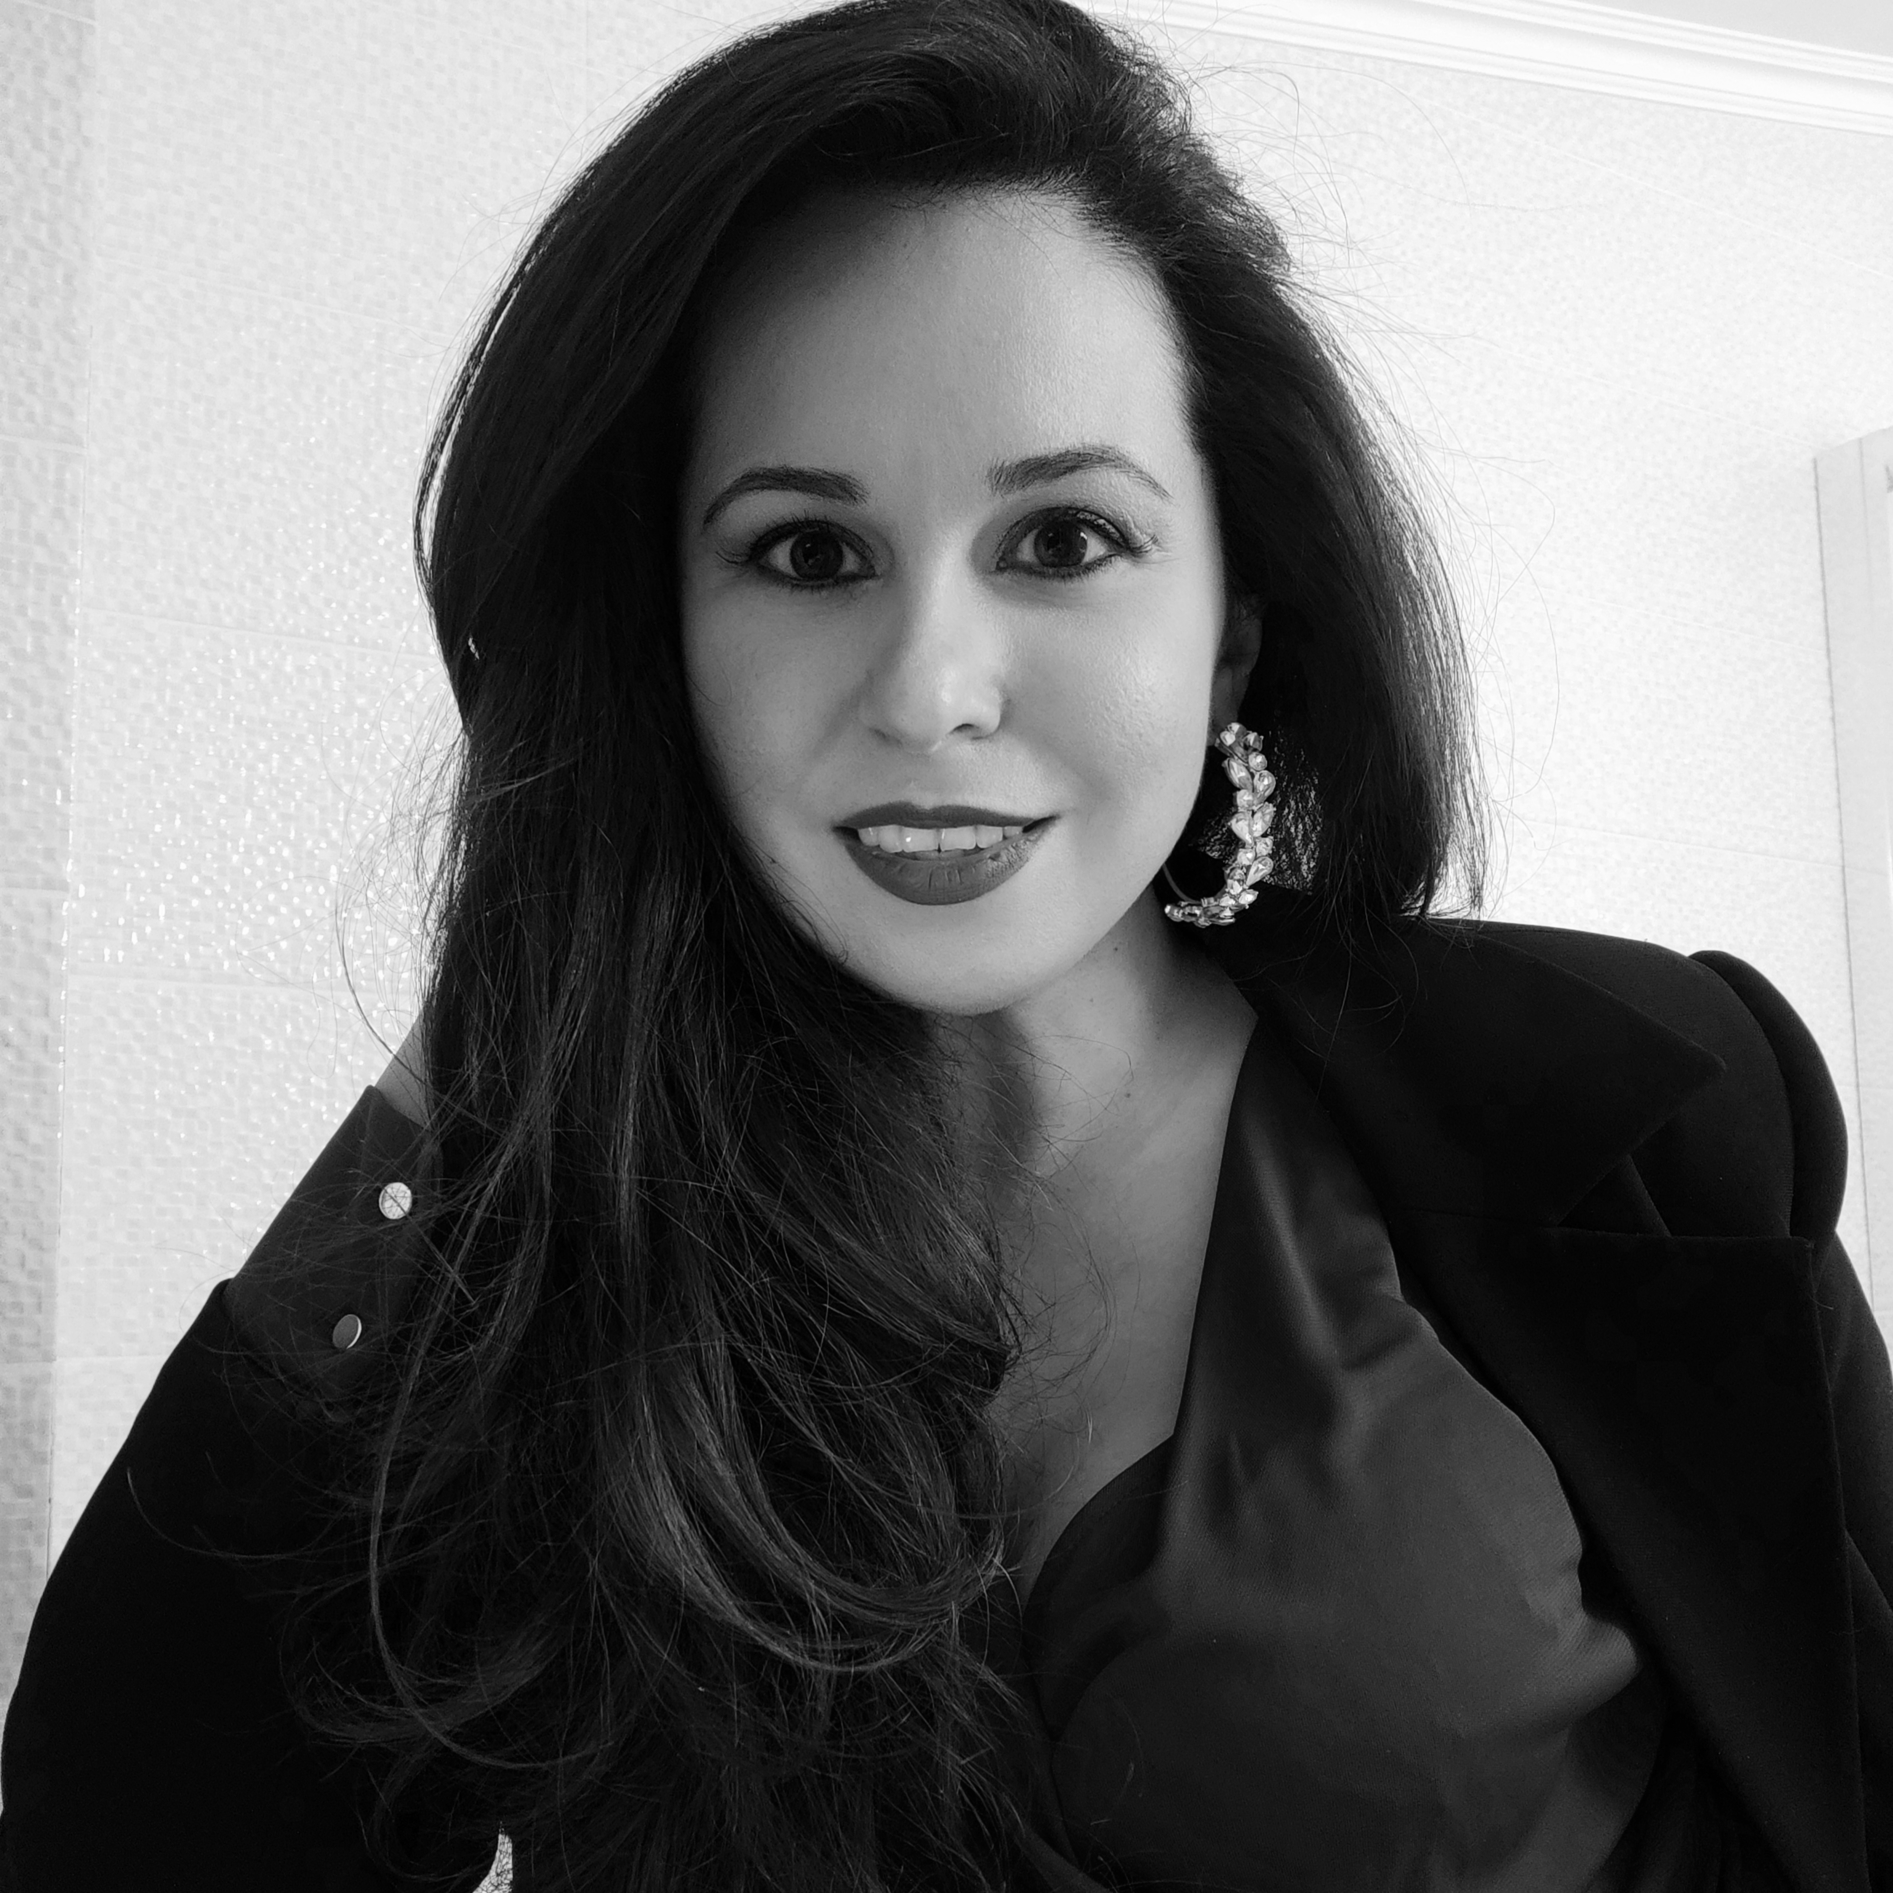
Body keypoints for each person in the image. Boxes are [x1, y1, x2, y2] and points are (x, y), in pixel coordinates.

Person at [3, 0, 1888, 1886]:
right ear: (660, 644)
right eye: (807, 554)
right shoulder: (552, 1256)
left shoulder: (1640, 1094)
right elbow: (123, 1833)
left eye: (1062, 540)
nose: (928, 690)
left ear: (1230, 627)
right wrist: (512, 993)